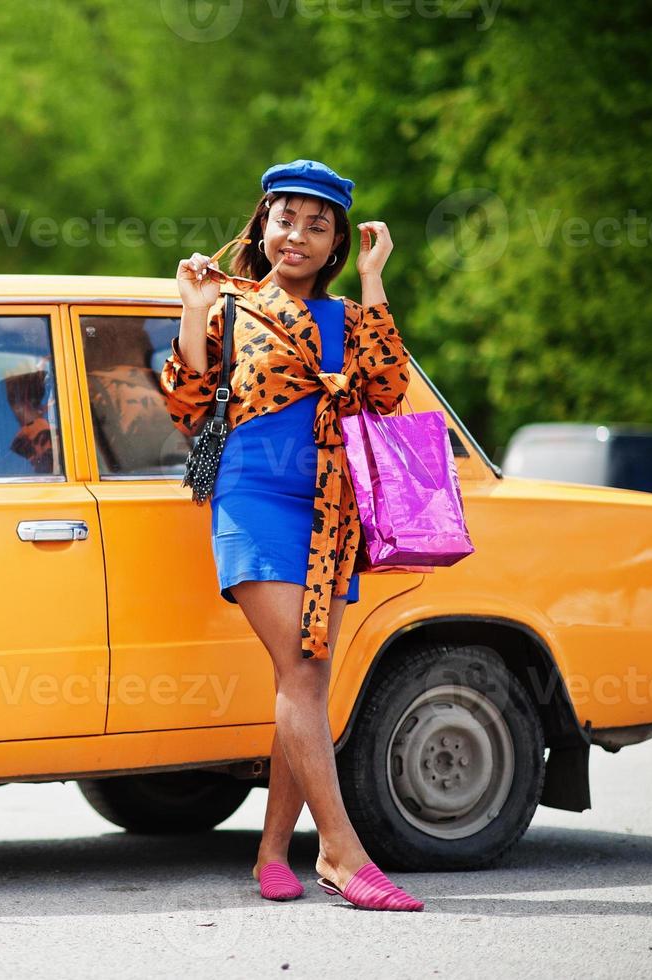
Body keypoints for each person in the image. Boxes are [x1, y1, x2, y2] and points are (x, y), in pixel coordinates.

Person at [161, 159, 423, 912]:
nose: (296, 236)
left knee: (300, 683)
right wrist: (191, 307)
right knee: (302, 676)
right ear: (262, 225)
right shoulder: (230, 307)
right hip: (251, 499)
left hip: (331, 508)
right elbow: (184, 405)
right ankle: (341, 853)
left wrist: (374, 280)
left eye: (317, 225)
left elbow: (385, 389)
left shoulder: (347, 315)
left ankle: (273, 852)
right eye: (285, 219)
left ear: (338, 240)